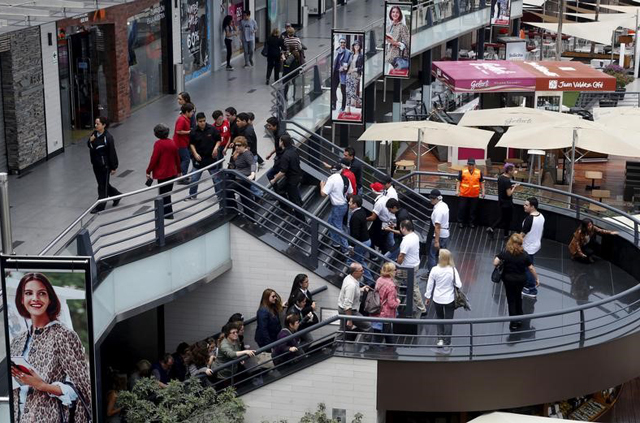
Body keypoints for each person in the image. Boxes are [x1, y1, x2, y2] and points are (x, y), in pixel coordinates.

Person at [9, 273, 92, 423]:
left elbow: (83, 390)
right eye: (28, 293)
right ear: (22, 299)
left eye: (42, 293)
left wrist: (42, 385)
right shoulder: (17, 341)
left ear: (50, 299)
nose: (35, 298)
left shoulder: (63, 335)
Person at [493, 234, 540, 330]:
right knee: (518, 297)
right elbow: (531, 268)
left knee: (511, 300)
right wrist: (536, 278)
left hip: (508, 280)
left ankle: (514, 322)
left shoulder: (505, 253)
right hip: (521, 280)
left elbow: (495, 262)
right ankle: (520, 317)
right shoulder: (524, 254)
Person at [425, 249, 461, 350]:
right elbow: (459, 284)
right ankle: (447, 342)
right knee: (448, 320)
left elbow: (430, 284)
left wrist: (428, 296)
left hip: (437, 299)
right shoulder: (452, 270)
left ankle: (440, 339)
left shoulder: (434, 270)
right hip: (449, 299)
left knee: (439, 318)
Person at [146, 123, 181, 220]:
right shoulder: (172, 142)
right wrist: (179, 170)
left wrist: (148, 171)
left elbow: (154, 159)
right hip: (172, 173)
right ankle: (167, 212)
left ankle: (167, 213)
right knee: (167, 193)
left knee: (162, 194)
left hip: (162, 174)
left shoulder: (158, 144)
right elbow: (177, 158)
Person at [87, 116, 121, 213]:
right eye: (95, 123)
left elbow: (112, 152)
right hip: (96, 164)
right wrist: (90, 140)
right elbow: (89, 145)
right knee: (102, 184)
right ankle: (117, 196)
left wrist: (114, 167)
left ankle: (100, 206)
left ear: (104, 125)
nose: (96, 125)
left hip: (105, 166)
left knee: (102, 186)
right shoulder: (94, 134)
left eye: (98, 124)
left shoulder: (108, 137)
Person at [269, 134, 304, 221]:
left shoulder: (285, 155)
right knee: (281, 189)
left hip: (291, 179)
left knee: (294, 200)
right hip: (297, 176)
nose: (279, 143)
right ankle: (288, 206)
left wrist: (274, 179)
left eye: (280, 141)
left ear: (282, 142)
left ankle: (301, 220)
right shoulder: (293, 151)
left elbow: (282, 172)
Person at [320, 162, 353, 253]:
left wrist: (322, 185)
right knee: (331, 222)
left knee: (338, 227)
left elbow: (323, 194)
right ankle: (336, 243)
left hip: (337, 206)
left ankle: (345, 248)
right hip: (344, 205)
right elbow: (351, 192)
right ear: (341, 170)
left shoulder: (331, 179)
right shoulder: (346, 179)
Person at [187, 112, 221, 200]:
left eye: (204, 121)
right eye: (200, 121)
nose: (202, 123)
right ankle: (192, 195)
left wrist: (215, 148)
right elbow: (191, 144)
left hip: (211, 158)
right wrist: (195, 153)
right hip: (199, 159)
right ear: (197, 122)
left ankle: (220, 195)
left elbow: (218, 140)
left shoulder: (212, 129)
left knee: (216, 179)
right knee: (194, 179)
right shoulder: (193, 131)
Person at [397, 220, 427, 318]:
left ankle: (421, 308)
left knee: (395, 283)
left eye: (400, 228)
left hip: (407, 268)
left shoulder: (406, 241)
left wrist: (397, 266)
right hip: (415, 265)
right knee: (411, 286)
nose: (400, 230)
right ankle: (421, 308)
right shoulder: (415, 236)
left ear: (404, 228)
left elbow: (401, 256)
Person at [337, 263, 372, 339]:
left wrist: (361, 289)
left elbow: (351, 292)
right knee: (368, 326)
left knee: (342, 330)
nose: (363, 272)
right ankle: (367, 348)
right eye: (361, 270)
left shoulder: (349, 278)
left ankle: (335, 346)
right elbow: (347, 305)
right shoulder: (351, 285)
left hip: (342, 308)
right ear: (355, 272)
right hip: (349, 311)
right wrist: (349, 320)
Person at [227, 136, 256, 220]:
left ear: (244, 146)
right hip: (239, 177)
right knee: (245, 198)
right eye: (236, 145)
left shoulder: (246, 154)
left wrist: (252, 174)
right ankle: (250, 218)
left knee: (228, 189)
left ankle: (234, 210)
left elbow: (253, 164)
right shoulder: (239, 153)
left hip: (244, 179)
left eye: (239, 145)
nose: (237, 147)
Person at [487, 163, 519, 239]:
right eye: (513, 170)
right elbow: (509, 194)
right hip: (507, 203)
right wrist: (514, 187)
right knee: (506, 219)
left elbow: (503, 189)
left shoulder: (500, 177)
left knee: (503, 218)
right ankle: (498, 231)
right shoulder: (507, 181)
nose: (514, 171)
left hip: (501, 201)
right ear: (509, 171)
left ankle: (499, 232)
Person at [521, 197, 545, 298]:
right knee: (529, 265)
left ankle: (531, 289)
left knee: (528, 268)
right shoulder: (541, 217)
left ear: (532, 206)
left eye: (526, 205)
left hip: (528, 247)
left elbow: (521, 235)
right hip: (535, 245)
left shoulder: (529, 220)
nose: (524, 206)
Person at [348, 195, 374, 285]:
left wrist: (351, 246)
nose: (348, 203)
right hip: (365, 240)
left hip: (361, 242)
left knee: (353, 261)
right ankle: (369, 280)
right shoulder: (361, 211)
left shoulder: (355, 216)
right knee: (359, 260)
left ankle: (368, 280)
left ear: (355, 204)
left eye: (350, 202)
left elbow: (355, 233)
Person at [372, 262, 400, 345]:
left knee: (388, 335)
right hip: (386, 315)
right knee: (378, 339)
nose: (396, 271)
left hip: (377, 311)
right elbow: (392, 304)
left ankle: (392, 351)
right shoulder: (391, 286)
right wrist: (398, 301)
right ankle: (372, 354)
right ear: (391, 271)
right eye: (395, 270)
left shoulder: (379, 280)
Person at [456, 158, 485, 228]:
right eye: (469, 164)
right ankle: (460, 222)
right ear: (467, 164)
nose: (471, 166)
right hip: (464, 194)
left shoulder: (479, 172)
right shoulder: (462, 171)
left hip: (474, 195)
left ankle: (471, 223)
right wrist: (457, 190)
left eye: (472, 164)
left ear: (475, 165)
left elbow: (482, 182)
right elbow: (458, 181)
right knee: (462, 209)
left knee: (473, 210)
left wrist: (483, 191)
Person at [428, 189, 450, 271]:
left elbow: (437, 226)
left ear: (437, 199)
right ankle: (444, 271)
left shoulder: (438, 210)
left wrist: (436, 241)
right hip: (445, 234)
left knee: (432, 255)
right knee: (443, 255)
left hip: (439, 235)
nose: (431, 200)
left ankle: (431, 272)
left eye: (432, 198)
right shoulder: (444, 205)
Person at [385, 5, 410, 74]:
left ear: (400, 14)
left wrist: (396, 43)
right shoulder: (388, 27)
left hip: (397, 59)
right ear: (390, 14)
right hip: (387, 57)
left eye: (397, 12)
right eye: (393, 12)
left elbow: (408, 43)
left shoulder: (402, 26)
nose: (395, 14)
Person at [174, 102, 195, 182]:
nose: (192, 113)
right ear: (187, 112)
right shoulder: (182, 120)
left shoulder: (186, 119)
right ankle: (183, 176)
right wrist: (188, 132)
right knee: (186, 159)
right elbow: (178, 131)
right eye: (191, 112)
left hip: (183, 143)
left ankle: (180, 175)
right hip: (180, 143)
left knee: (181, 159)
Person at [332, 37, 352, 112]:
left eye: (344, 42)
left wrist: (343, 68)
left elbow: (349, 63)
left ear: (346, 43)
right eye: (341, 42)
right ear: (340, 43)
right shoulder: (337, 51)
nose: (343, 44)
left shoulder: (349, 52)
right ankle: (334, 104)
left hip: (343, 74)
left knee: (343, 91)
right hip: (335, 73)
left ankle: (343, 107)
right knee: (333, 89)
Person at [345, 40, 364, 116]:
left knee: (352, 92)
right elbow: (347, 63)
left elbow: (362, 67)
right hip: (348, 74)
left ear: (359, 47)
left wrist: (355, 69)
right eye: (355, 45)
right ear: (353, 46)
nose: (356, 47)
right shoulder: (351, 55)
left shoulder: (361, 56)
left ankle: (360, 101)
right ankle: (348, 109)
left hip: (355, 75)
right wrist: (344, 68)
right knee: (347, 92)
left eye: (358, 45)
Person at [265, 117, 286, 181]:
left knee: (270, 174)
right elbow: (278, 146)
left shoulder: (280, 134)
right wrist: (271, 153)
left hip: (281, 158)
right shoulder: (276, 132)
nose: (268, 127)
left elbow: (282, 147)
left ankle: (277, 190)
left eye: (269, 126)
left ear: (275, 125)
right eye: (267, 125)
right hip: (280, 157)